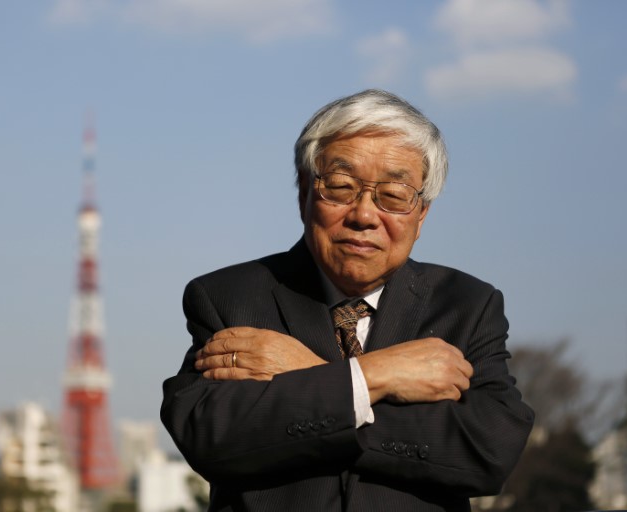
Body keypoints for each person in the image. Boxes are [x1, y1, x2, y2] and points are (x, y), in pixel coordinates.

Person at [161, 89, 534, 511]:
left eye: (393, 196)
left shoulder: (467, 306)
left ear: (422, 213)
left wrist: (322, 378)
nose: (364, 214)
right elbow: (209, 434)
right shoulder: (231, 298)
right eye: (340, 187)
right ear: (303, 192)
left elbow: (489, 450)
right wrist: (377, 375)